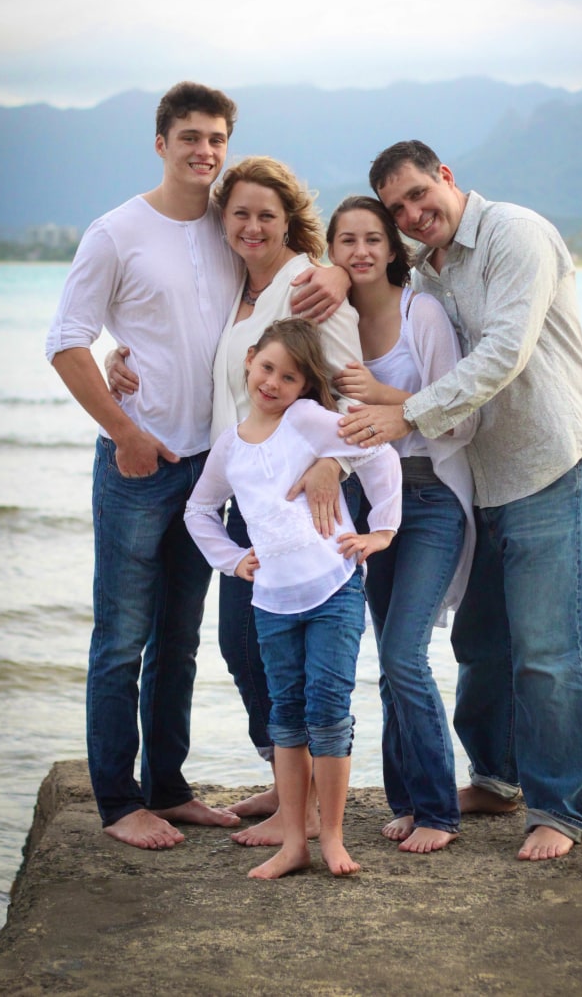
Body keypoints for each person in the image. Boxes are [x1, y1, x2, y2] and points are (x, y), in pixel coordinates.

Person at [46, 82, 346, 850]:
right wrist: (124, 429)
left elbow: (267, 291)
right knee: (121, 640)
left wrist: (336, 272)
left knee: (179, 641)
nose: (204, 151)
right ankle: (119, 801)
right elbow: (67, 341)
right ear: (161, 143)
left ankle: (168, 787)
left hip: (215, 474)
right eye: (190, 137)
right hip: (141, 466)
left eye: (216, 138)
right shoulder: (116, 231)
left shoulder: (224, 234)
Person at [338, 141, 582, 861]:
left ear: (447, 178)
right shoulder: (429, 272)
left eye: (420, 195)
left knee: (550, 653)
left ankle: (558, 808)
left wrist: (407, 414)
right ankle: (496, 777)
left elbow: (502, 353)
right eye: (398, 209)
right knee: (480, 646)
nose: (413, 213)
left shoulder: (515, 233)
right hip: (478, 482)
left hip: (550, 462)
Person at [107, 155, 361, 848]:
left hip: (298, 497)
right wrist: (121, 360)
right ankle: (288, 787)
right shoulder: (229, 287)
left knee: (285, 648)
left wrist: (334, 462)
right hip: (242, 494)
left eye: (266, 215)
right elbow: (182, 350)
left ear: (289, 222)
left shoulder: (304, 285)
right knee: (246, 645)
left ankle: (300, 807)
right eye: (240, 213)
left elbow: (350, 389)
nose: (251, 226)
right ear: (224, 220)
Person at [185, 319, 402, 878]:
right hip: (273, 602)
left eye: (290, 376)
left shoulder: (306, 421)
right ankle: (293, 842)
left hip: (333, 587)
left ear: (304, 386)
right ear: (249, 361)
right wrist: (232, 561)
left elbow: (377, 452)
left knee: (328, 710)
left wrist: (382, 530)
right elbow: (198, 510)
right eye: (267, 369)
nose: (274, 383)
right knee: (286, 715)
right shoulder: (229, 445)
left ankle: (331, 837)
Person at [326, 195, 477, 853]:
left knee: (403, 654)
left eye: (371, 239)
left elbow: (463, 415)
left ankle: (440, 811)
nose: (359, 251)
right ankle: (407, 800)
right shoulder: (332, 324)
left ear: (392, 248)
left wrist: (384, 395)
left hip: (431, 498)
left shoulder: (426, 314)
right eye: (345, 241)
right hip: (369, 503)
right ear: (330, 252)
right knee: (386, 661)